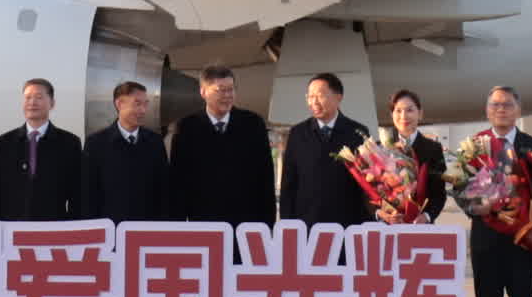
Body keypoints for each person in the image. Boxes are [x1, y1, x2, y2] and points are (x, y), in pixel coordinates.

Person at [463, 85, 532, 297]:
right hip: (486, 240)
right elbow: (460, 188)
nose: (501, 109)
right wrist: (475, 205)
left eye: (508, 104)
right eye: (496, 105)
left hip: (523, 240)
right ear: (487, 110)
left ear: (518, 110)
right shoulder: (473, 146)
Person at [167, 66, 274, 228]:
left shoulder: (253, 124)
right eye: (220, 90)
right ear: (203, 92)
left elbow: (265, 175)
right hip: (204, 222)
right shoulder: (187, 128)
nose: (227, 96)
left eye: (231, 90)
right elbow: (178, 180)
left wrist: (268, 223)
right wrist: (178, 225)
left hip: (246, 223)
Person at [279, 74, 373, 224]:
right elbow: (288, 183)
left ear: (338, 97)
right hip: (307, 223)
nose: (314, 102)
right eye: (310, 96)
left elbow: (368, 183)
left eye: (320, 95)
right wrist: (288, 222)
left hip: (348, 222)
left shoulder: (357, 132)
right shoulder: (298, 133)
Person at [0, 78, 83, 218]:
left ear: (52, 103)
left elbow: (77, 194)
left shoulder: (70, 143)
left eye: (39, 97)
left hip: (54, 225)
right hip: (12, 226)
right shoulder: (4, 142)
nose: (32, 102)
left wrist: (73, 227)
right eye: (28, 97)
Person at [83, 80, 161, 222]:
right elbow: (89, 194)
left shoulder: (155, 142)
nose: (143, 110)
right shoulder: (96, 144)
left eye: (145, 104)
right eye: (137, 104)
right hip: (110, 228)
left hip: (146, 228)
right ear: (119, 104)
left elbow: (162, 190)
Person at [383, 89, 446, 222]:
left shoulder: (433, 149)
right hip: (391, 226)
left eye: (409, 110)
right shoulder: (383, 150)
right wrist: (384, 214)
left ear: (420, 113)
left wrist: (427, 216)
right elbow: (374, 193)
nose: (403, 116)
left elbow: (439, 193)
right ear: (392, 114)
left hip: (422, 226)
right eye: (398, 111)